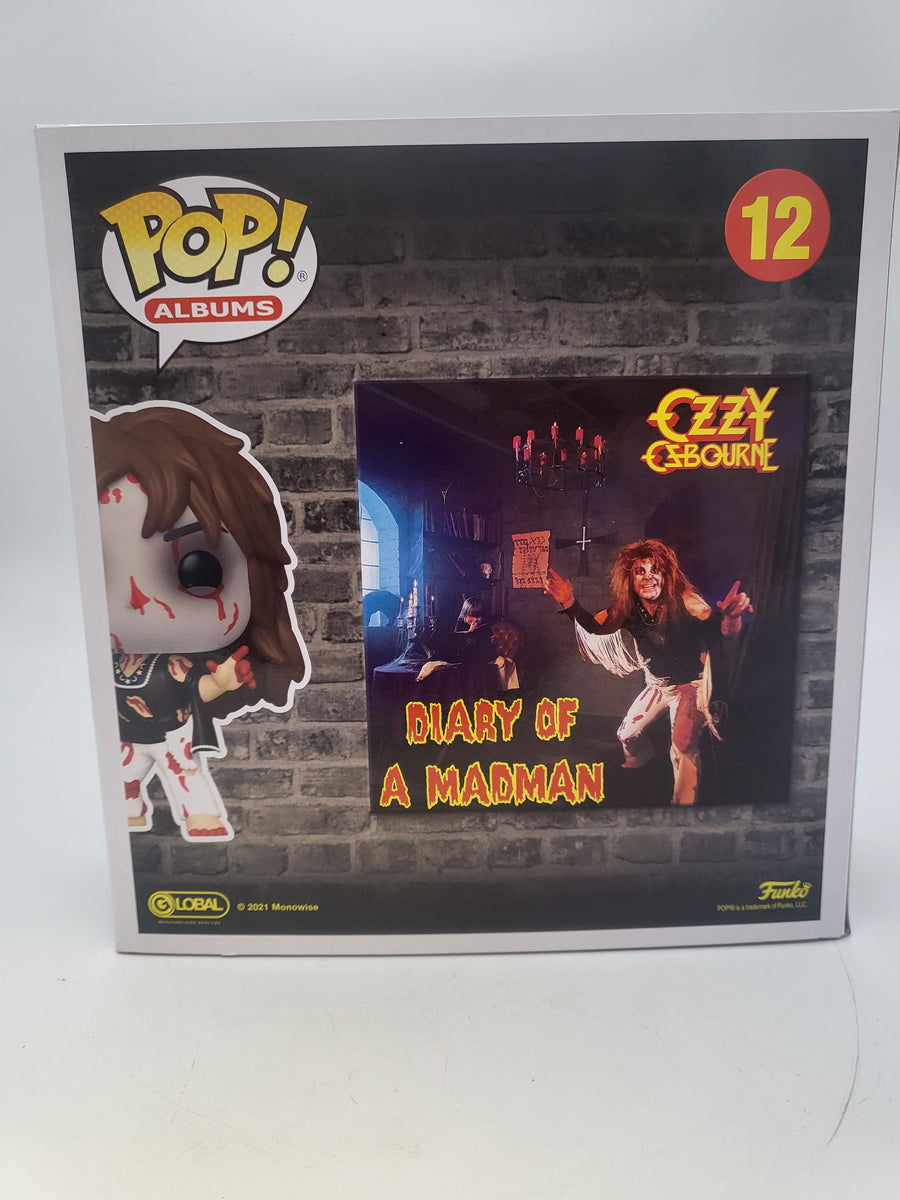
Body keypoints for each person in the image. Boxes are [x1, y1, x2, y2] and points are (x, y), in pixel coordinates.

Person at [93, 403, 310, 841]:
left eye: (198, 571)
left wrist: (224, 681)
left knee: (184, 771)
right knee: (123, 774)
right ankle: (129, 809)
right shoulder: (104, 665)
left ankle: (201, 815)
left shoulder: (174, 665)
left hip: (173, 733)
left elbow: (197, 688)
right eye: (91, 572)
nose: (137, 601)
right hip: (125, 735)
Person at [545, 539, 751, 806]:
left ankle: (684, 804)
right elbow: (596, 627)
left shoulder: (686, 600)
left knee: (683, 743)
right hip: (657, 685)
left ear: (666, 575)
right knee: (626, 735)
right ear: (630, 579)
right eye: (640, 571)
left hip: (691, 685)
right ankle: (641, 759)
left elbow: (722, 631)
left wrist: (731, 618)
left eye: (655, 570)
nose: (648, 577)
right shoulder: (628, 609)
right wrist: (569, 602)